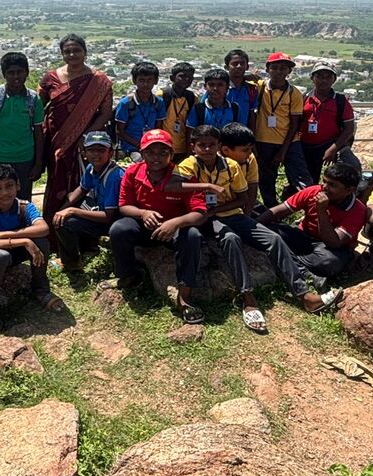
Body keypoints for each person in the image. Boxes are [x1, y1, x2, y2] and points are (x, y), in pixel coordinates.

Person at [171, 125, 288, 333]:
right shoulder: (189, 165)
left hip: (226, 213)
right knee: (229, 238)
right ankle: (247, 296)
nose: (207, 149)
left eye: (212, 145)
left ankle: (301, 291)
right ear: (193, 146)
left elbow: (244, 197)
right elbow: (172, 185)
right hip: (199, 216)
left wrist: (217, 210)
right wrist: (206, 187)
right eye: (202, 145)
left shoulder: (231, 165)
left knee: (273, 238)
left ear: (219, 146)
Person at [102, 129, 208, 324]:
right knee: (119, 229)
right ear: (142, 154)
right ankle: (128, 275)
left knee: (192, 236)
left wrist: (175, 223)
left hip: (173, 232)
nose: (156, 157)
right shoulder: (133, 172)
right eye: (150, 152)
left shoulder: (183, 176)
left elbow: (200, 213)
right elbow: (124, 206)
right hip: (144, 227)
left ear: (171, 155)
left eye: (162, 152)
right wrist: (143, 213)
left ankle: (184, 296)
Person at [0, 163, 64, 332]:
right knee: (1, 255)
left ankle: (40, 290)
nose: (5, 192)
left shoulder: (24, 207)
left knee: (41, 242)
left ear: (18, 185)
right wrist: (23, 241)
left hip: (9, 249)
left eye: (9, 186)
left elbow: (43, 228)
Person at [39, 34, 114, 222]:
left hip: (86, 144)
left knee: (84, 184)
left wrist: (86, 137)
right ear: (62, 54)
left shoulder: (99, 81)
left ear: (85, 52)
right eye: (67, 51)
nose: (72, 55)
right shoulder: (50, 78)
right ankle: (52, 228)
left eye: (77, 50)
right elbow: (39, 108)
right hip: (56, 140)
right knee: (56, 181)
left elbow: (105, 113)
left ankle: (82, 229)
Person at [258, 163, 367, 292]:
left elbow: (333, 242)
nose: (325, 187)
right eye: (324, 181)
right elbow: (280, 210)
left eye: (332, 185)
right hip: (304, 236)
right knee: (269, 231)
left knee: (328, 262)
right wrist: (253, 225)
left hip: (333, 249)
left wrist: (321, 211)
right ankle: (300, 267)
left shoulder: (357, 210)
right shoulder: (313, 191)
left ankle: (284, 259)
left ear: (349, 190)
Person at [52, 131, 124, 273]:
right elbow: (82, 189)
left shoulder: (114, 176)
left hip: (115, 220)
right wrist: (61, 209)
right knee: (66, 210)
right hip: (100, 209)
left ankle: (72, 263)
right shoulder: (92, 168)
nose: (96, 154)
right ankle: (87, 248)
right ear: (84, 153)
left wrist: (71, 210)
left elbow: (109, 216)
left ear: (110, 153)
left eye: (101, 150)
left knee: (65, 223)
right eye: (91, 150)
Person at [0, 52, 44, 201]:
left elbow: (39, 133)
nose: (16, 76)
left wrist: (38, 163)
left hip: (25, 159)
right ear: (4, 74)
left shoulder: (33, 99)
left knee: (23, 200)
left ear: (27, 73)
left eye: (20, 72)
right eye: (11, 72)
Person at [254, 52, 309, 205]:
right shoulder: (260, 87)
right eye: (275, 68)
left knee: (301, 177)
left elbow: (294, 124)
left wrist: (283, 151)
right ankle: (271, 210)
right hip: (264, 140)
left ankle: (309, 208)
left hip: (289, 141)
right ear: (267, 69)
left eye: (283, 68)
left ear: (289, 71)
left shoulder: (294, 93)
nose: (279, 71)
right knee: (266, 179)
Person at [298, 61, 361, 189]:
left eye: (328, 77)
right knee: (307, 180)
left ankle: (350, 196)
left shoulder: (340, 101)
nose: (324, 80)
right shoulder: (304, 99)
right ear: (312, 78)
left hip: (332, 143)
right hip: (306, 146)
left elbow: (349, 128)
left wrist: (333, 149)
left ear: (334, 80)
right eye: (319, 76)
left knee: (352, 167)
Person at [114, 61, 166, 162]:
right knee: (140, 160)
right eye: (141, 80)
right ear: (134, 81)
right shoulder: (126, 103)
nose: (145, 84)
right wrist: (139, 145)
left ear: (156, 81)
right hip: (130, 146)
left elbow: (159, 127)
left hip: (151, 145)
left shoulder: (159, 102)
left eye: (149, 80)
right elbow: (120, 131)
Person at [185, 68, 243, 138]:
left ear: (227, 87)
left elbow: (240, 133)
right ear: (205, 87)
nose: (215, 88)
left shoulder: (235, 108)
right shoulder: (198, 109)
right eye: (211, 85)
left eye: (220, 85)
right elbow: (191, 135)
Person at [219, 122, 259, 216]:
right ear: (226, 150)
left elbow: (252, 189)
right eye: (245, 150)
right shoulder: (213, 161)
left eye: (251, 149)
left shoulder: (249, 158)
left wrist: (247, 216)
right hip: (221, 208)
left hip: (243, 205)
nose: (250, 153)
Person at [160, 62, 196, 163]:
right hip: (164, 145)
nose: (186, 79)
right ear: (172, 78)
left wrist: (189, 149)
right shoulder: (163, 95)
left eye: (189, 77)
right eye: (182, 76)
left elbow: (190, 125)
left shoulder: (192, 98)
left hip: (183, 147)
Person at [224, 49, 258, 130]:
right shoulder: (219, 88)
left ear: (247, 67)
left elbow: (252, 114)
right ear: (226, 67)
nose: (239, 66)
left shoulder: (251, 89)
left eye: (242, 64)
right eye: (235, 64)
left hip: (243, 133)